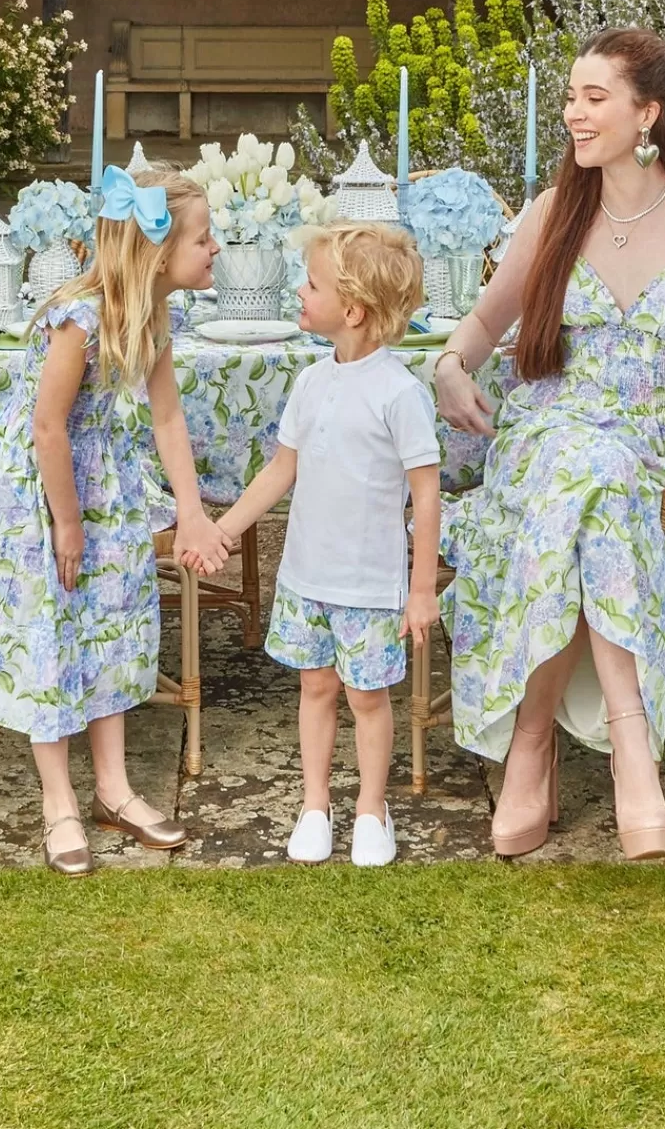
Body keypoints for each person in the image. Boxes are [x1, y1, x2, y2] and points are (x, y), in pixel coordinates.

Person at [433, 30, 665, 862]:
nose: (573, 113)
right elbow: (479, 326)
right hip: (548, 431)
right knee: (585, 477)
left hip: (657, 449)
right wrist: (447, 368)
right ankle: (632, 761)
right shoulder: (552, 212)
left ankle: (532, 744)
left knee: (599, 487)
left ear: (648, 112)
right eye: (571, 97)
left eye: (593, 98)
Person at [0, 166, 230, 876]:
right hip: (42, 496)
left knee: (109, 624)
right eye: (204, 238)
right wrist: (68, 522)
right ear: (156, 248)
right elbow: (48, 427)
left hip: (102, 485)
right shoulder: (80, 319)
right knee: (52, 633)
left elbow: (168, 416)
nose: (216, 249)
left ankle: (113, 789)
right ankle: (60, 803)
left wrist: (190, 506)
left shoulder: (152, 314)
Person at [202, 223, 441, 868]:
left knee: (367, 698)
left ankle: (371, 808)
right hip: (307, 577)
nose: (300, 293)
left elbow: (425, 494)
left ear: (354, 310)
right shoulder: (310, 384)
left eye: (311, 284)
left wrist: (421, 590)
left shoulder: (400, 393)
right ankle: (315, 804)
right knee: (314, 689)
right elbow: (282, 469)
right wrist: (224, 528)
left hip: (368, 584)